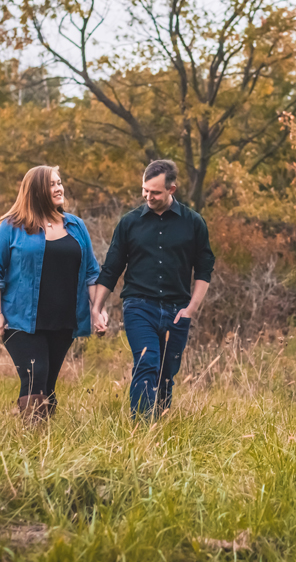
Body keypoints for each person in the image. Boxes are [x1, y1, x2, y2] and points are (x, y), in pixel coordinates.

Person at [91, 160, 215, 417]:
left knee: (166, 374)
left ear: (172, 189)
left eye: (155, 192)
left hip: (177, 310)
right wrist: (97, 308)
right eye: (145, 190)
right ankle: (140, 429)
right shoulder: (129, 223)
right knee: (147, 363)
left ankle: (158, 429)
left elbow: (204, 270)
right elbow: (112, 268)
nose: (148, 196)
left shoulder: (193, 223)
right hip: (139, 306)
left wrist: (191, 309)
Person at [0, 165, 102, 421]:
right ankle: (33, 444)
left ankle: (47, 448)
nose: (59, 188)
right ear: (36, 190)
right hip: (20, 320)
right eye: (51, 184)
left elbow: (92, 272)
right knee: (35, 376)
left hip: (63, 319)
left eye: (59, 182)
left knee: (47, 385)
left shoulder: (76, 226)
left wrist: (96, 310)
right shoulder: (11, 227)